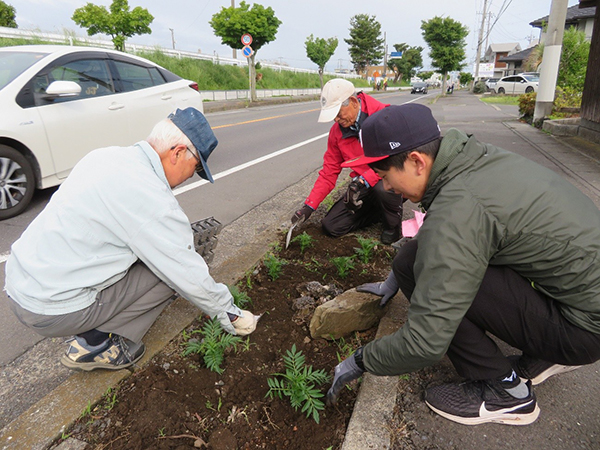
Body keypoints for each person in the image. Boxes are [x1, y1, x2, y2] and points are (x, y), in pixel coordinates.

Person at [326, 104, 600, 425]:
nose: (386, 188)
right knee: (416, 259)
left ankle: (505, 393)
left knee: (431, 275)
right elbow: (452, 232)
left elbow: (425, 342)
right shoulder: (475, 159)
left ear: (416, 161)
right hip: (579, 297)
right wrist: (392, 282)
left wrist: (359, 361)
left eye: (386, 176)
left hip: (584, 330)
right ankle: (544, 354)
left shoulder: (459, 208)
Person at [4, 107, 259, 372]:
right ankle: (99, 345)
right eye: (195, 168)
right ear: (178, 153)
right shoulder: (152, 198)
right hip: (49, 309)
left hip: (20, 284)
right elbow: (185, 270)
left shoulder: (104, 156)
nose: (188, 178)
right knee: (168, 274)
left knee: (150, 257)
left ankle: (94, 332)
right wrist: (229, 313)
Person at [291, 78, 404, 244]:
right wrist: (309, 206)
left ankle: (393, 227)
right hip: (362, 184)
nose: (336, 120)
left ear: (352, 101)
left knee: (383, 189)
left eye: (337, 113)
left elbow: (394, 157)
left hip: (389, 178)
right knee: (331, 225)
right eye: (333, 116)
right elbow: (329, 172)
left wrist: (362, 180)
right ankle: (380, 211)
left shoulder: (382, 116)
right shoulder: (336, 133)